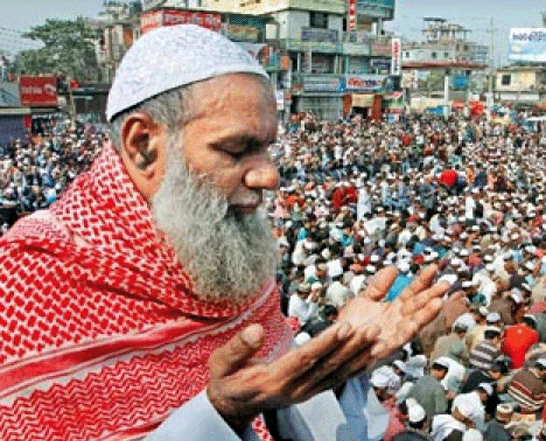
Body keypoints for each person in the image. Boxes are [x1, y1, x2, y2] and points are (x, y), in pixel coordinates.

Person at [0, 25, 450, 440]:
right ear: (143, 144)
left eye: (267, 149)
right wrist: (218, 416)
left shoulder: (225, 257)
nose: (269, 176)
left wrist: (336, 362)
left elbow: (285, 409)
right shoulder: (26, 284)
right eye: (236, 150)